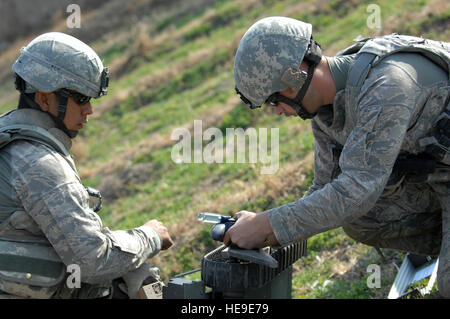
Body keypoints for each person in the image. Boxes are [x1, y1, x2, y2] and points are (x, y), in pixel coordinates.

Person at [228, 16, 449, 297]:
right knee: (361, 220)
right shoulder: (325, 111)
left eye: (274, 99)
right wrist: (267, 232)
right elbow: (325, 187)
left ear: (295, 75)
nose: (278, 111)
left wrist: (268, 224)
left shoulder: (387, 84)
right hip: (441, 178)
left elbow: (357, 189)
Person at [0, 32, 173, 299]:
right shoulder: (40, 164)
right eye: (80, 98)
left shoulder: (9, 138)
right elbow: (94, 260)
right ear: (45, 99)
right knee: (141, 281)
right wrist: (150, 236)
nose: (89, 109)